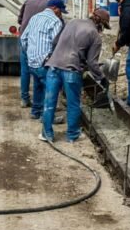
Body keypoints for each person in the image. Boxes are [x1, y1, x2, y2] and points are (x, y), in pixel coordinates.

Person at [41, 9, 111, 143]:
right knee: (73, 104)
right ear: (101, 24)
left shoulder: (71, 22)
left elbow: (55, 42)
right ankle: (72, 135)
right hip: (71, 70)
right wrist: (101, 78)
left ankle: (47, 134)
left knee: (49, 103)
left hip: (53, 66)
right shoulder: (95, 35)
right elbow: (92, 63)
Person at [20, 0, 67, 119]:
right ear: (55, 8)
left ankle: (36, 112)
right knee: (50, 89)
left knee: (37, 86)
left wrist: (29, 53)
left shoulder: (35, 18)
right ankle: (47, 117)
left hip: (32, 60)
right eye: (60, 11)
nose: (61, 14)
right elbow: (57, 43)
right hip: (45, 61)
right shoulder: (55, 21)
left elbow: (23, 38)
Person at [17, 0, 59, 108]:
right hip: (40, 42)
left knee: (25, 70)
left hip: (25, 37)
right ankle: (45, 106)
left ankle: (25, 99)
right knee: (42, 75)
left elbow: (20, 19)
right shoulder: (51, 5)